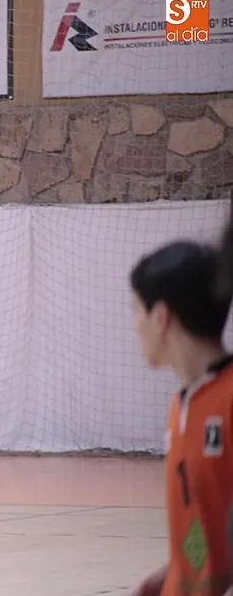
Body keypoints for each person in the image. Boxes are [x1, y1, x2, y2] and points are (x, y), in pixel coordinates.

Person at [128, 238, 233, 596]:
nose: (134, 326)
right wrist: (172, 574)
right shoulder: (182, 406)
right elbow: (207, 533)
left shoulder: (228, 400)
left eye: (136, 311)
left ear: (161, 317)